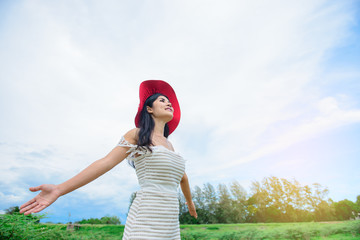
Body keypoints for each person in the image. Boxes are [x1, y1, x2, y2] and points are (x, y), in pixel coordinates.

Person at [20, 80, 198, 239]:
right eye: (162, 100)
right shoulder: (137, 134)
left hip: (170, 220)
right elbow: (105, 162)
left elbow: (183, 177)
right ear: (149, 109)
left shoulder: (170, 145)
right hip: (147, 216)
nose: (168, 103)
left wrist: (190, 203)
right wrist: (59, 189)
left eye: (169, 101)